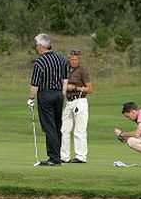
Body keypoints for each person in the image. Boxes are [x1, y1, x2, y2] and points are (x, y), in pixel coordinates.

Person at [27, 33, 69, 166]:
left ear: (41, 46)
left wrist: (31, 98)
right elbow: (65, 79)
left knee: (49, 126)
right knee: (57, 126)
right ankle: (57, 157)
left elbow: (35, 83)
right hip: (58, 94)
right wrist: (62, 94)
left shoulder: (40, 61)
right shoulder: (61, 59)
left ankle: (53, 158)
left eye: (36, 46)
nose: (36, 48)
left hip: (46, 95)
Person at [60, 49, 94, 163]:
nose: (73, 61)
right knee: (64, 129)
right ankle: (64, 156)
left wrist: (75, 88)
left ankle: (81, 156)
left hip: (80, 101)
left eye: (76, 59)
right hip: (68, 102)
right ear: (68, 59)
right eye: (71, 59)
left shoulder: (82, 72)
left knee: (79, 130)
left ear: (79, 60)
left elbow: (90, 89)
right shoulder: (66, 71)